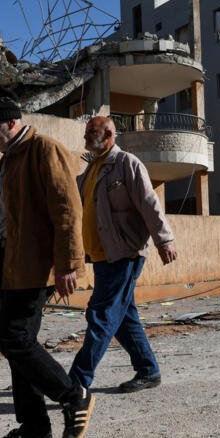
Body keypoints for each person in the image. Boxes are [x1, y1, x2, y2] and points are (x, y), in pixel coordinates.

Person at [0, 88, 95, 438]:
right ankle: (34, 428)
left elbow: (67, 210)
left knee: (11, 338)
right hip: (14, 267)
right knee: (19, 346)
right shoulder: (9, 158)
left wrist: (69, 263)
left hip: (37, 268)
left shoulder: (46, 149)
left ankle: (74, 396)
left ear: (12, 122)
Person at [69, 115, 177, 394]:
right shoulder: (92, 169)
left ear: (108, 134)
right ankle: (148, 370)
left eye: (91, 132)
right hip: (101, 255)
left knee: (102, 314)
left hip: (125, 252)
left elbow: (149, 202)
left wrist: (164, 240)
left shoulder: (126, 163)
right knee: (123, 316)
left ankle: (76, 382)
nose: (85, 137)